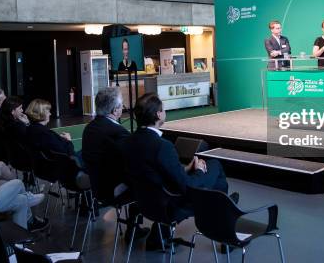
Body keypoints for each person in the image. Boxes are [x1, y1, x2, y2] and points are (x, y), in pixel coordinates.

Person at [122, 93, 233, 250]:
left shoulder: (129, 141)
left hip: (145, 202)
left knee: (215, 175)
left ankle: (160, 234)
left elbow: (155, 172)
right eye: (164, 109)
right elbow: (186, 187)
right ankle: (226, 224)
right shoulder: (163, 146)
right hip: (169, 204)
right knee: (215, 167)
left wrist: (187, 168)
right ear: (159, 114)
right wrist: (199, 170)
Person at [82, 87, 148, 241]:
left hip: (97, 187)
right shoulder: (117, 132)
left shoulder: (89, 128)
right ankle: (150, 233)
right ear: (115, 110)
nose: (122, 108)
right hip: (112, 189)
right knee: (150, 180)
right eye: (121, 105)